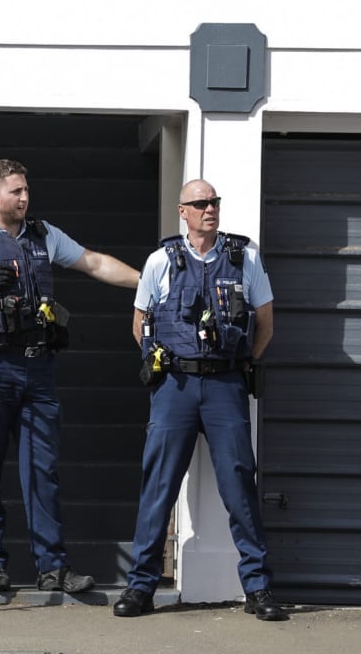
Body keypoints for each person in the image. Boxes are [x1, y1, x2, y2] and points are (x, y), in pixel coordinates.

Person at [0, 159, 139, 593]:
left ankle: (53, 568)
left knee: (43, 472)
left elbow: (94, 264)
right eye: (16, 192)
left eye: (26, 190)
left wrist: (149, 280)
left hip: (38, 369)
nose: (25, 198)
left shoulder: (44, 236)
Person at [113, 179, 287, 620]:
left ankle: (258, 590)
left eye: (214, 202)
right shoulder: (160, 260)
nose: (210, 208)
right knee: (158, 487)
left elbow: (265, 321)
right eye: (200, 203)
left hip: (226, 384)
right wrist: (162, 363)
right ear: (182, 212)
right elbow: (139, 324)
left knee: (239, 486)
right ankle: (141, 589)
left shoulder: (244, 257)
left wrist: (243, 361)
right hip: (175, 387)